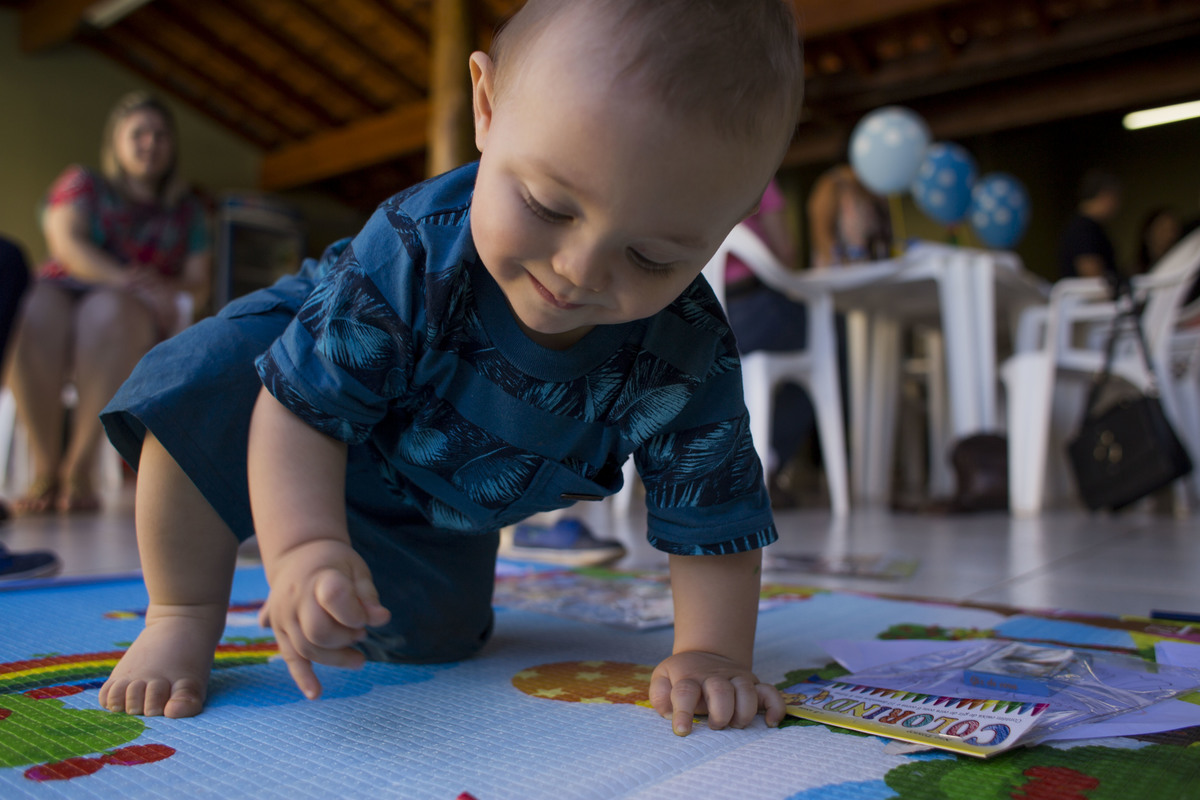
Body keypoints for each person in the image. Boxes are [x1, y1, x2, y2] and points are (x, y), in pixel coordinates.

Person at [96, 0, 804, 739]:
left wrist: (712, 652)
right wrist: (303, 549)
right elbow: (300, 408)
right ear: (487, 107)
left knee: (437, 638)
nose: (577, 272)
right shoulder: (414, 248)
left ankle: (356, 564)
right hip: (292, 393)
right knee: (203, 384)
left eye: (653, 258)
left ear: (730, 221)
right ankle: (179, 611)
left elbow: (712, 516)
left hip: (431, 497)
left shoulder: (687, 350)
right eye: (547, 205)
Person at [6, 92, 211, 515]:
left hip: (127, 316)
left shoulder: (188, 211)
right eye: (139, 133)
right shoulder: (83, 182)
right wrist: (130, 281)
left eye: (160, 135)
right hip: (65, 293)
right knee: (33, 306)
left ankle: (79, 467)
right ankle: (45, 467)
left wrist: (150, 294)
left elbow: (198, 283)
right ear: (116, 143)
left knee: (109, 312)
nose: (150, 143)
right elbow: (65, 242)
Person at [1057, 169, 1122, 282]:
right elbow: (1091, 272)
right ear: (1105, 196)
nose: (1117, 206)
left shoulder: (1087, 227)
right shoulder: (1083, 228)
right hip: (1091, 298)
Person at [1134, 206, 1183, 274]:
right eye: (1163, 229)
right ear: (1148, 232)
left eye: (1172, 229)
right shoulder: (1134, 272)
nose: (1169, 235)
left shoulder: (1181, 266)